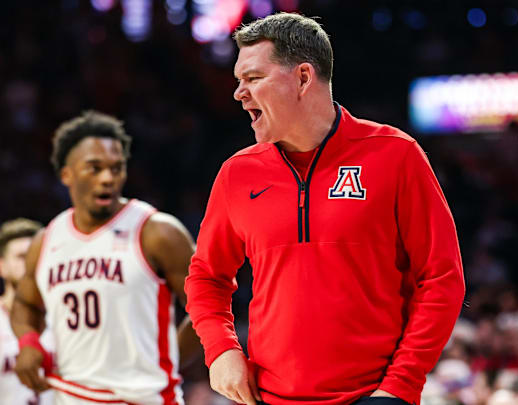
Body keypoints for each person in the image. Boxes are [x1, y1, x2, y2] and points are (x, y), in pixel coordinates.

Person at [184, 12, 465, 405]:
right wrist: (221, 350)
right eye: (238, 81)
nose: (239, 93)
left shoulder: (396, 155)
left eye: (253, 78)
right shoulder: (237, 174)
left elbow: (442, 278)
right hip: (270, 398)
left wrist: (400, 386)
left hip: (374, 397)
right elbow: (206, 277)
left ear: (302, 77)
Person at [11, 110, 201, 404]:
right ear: (67, 175)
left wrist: (170, 360)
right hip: (69, 396)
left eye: (116, 168)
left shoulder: (157, 232)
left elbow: (210, 307)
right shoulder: (46, 240)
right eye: (94, 168)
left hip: (141, 399)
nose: (107, 178)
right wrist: (28, 343)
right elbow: (25, 303)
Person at [0, 218, 53, 404]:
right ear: (2, 266)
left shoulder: (65, 316)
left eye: (35, 257)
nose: (30, 264)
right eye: (22, 257)